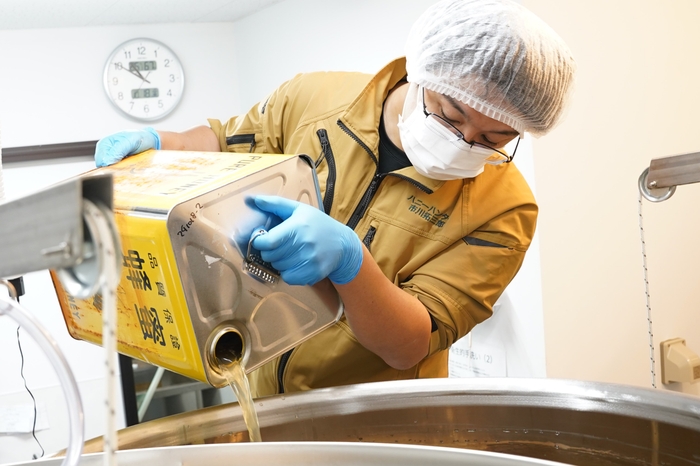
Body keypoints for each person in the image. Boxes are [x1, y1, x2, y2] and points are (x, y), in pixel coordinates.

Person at [95, 0, 575, 398]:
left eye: (493, 138)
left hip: (375, 419)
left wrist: (352, 264)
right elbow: (225, 143)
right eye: (450, 114)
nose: (462, 142)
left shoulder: (505, 209)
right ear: (422, 71)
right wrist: (164, 145)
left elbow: (410, 344)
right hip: (262, 390)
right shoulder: (315, 99)